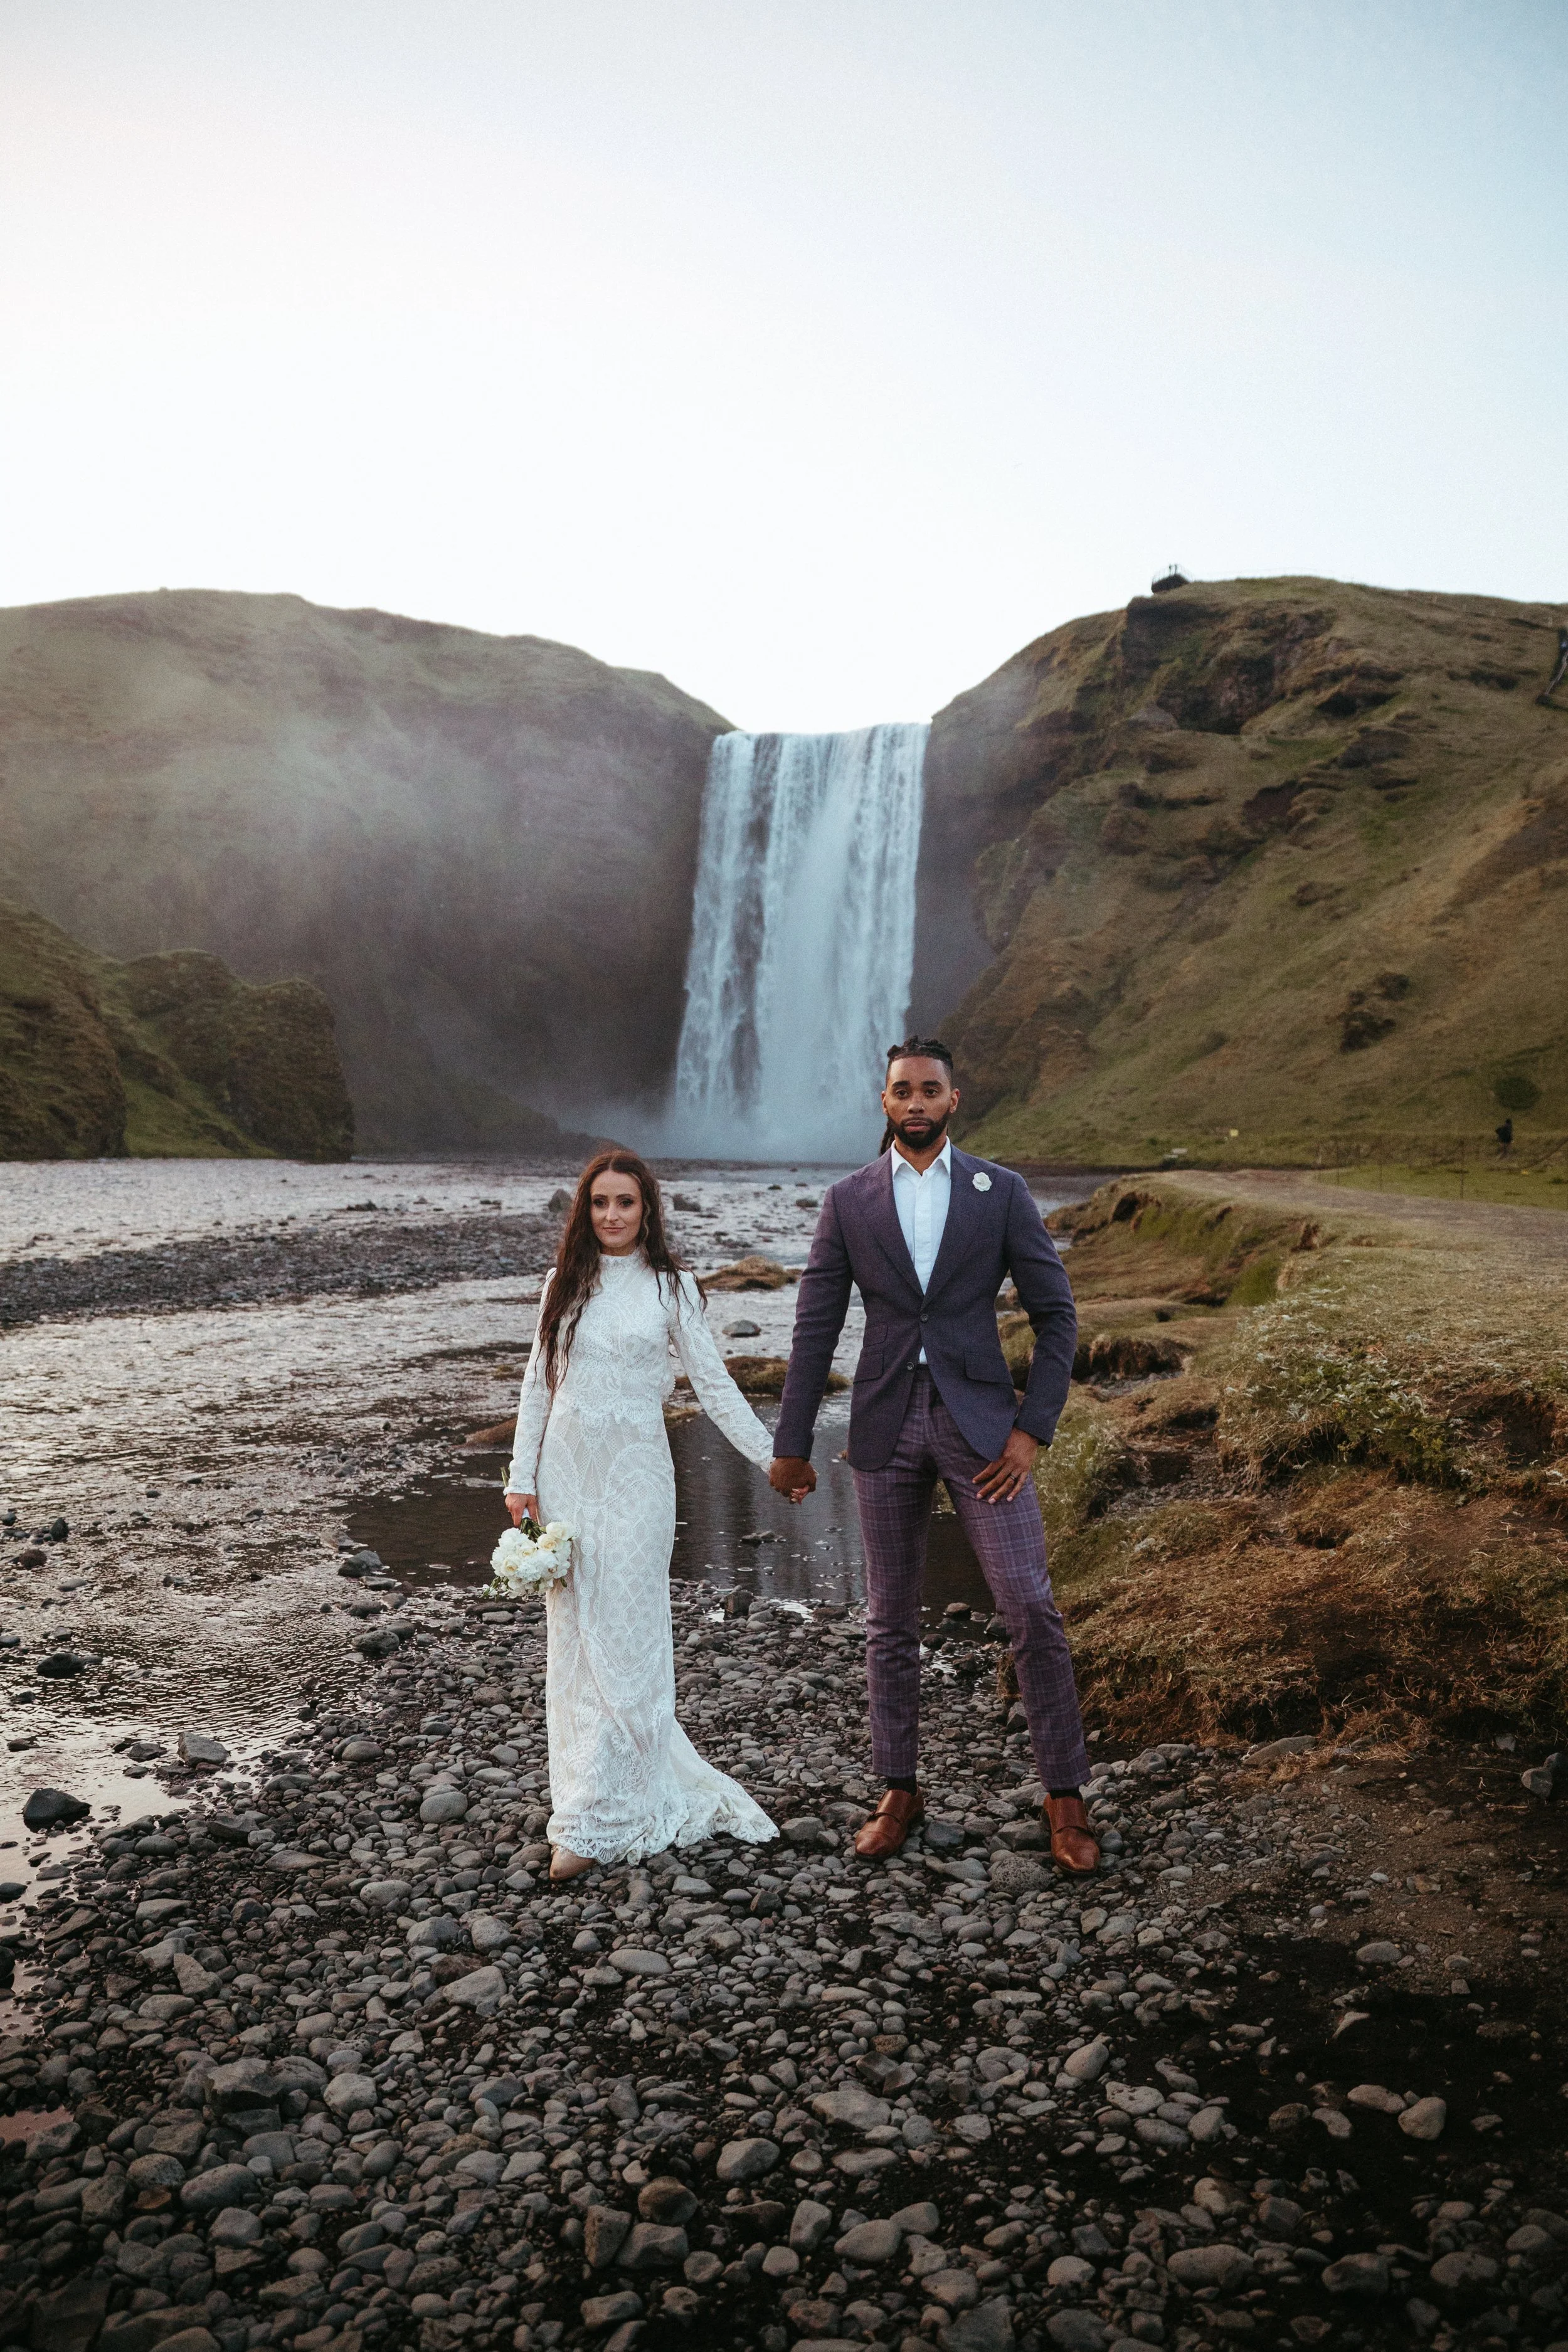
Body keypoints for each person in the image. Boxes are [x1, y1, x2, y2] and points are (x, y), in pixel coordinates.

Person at [770, 1039, 1098, 1872]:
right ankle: (899, 1789)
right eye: (900, 1091)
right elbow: (813, 1326)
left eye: (929, 1090)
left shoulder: (1002, 1191)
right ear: (884, 1104)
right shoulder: (848, 1201)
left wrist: (1031, 1431)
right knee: (889, 1619)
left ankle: (1067, 1798)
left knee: (1030, 1607)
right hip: (883, 1428)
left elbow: (1058, 1316)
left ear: (954, 1100)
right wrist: (793, 1443)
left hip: (982, 1429)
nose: (914, 1102)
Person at [504, 1148, 780, 1880]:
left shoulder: (673, 1289)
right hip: (565, 1477)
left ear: (647, 1210)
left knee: (626, 1638)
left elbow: (716, 1387)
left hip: (636, 1481)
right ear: (584, 1212)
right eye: (599, 1203)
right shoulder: (561, 1285)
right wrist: (519, 1479)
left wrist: (773, 1457)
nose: (612, 1215)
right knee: (574, 1641)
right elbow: (538, 1385)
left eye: (625, 1202)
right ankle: (584, 1800)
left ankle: (612, 1811)